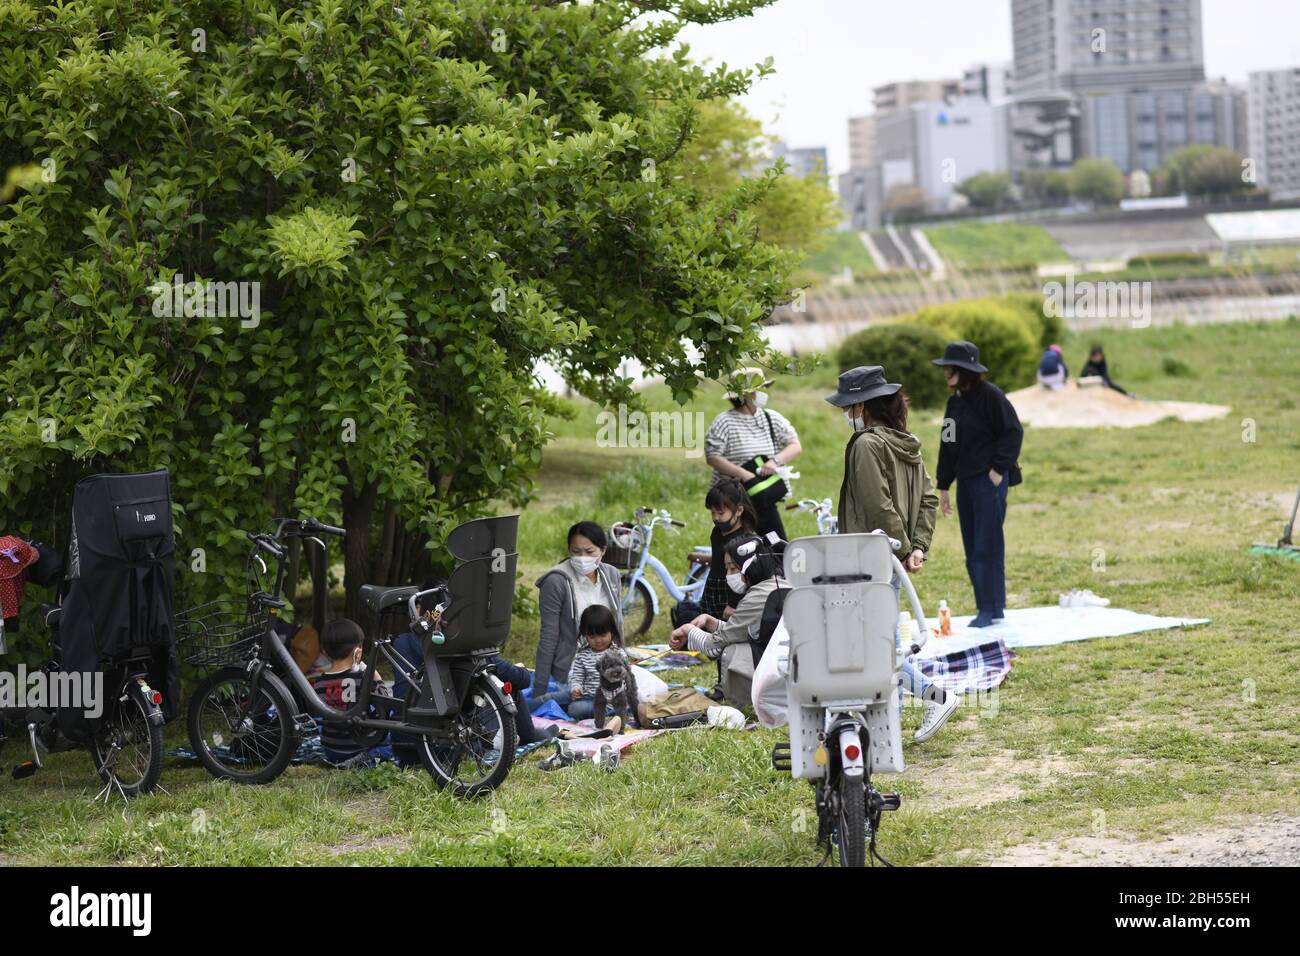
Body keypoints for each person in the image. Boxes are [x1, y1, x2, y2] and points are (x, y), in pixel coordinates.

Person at [824, 365, 957, 742]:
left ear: (864, 405)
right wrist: (917, 547)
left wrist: (899, 550)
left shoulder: (867, 444)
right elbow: (928, 499)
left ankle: (936, 696)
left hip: (870, 556)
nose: (847, 413)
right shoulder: (907, 441)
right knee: (883, 645)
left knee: (876, 650)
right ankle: (887, 731)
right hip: (891, 557)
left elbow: (878, 504)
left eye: (849, 406)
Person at [389, 584, 559, 760]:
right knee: (506, 683)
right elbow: (522, 679)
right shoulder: (460, 645)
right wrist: (520, 669)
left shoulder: (401, 642)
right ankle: (529, 736)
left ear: (420, 610)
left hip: (405, 744)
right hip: (450, 747)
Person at [933, 341, 1024, 629]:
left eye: (951, 368)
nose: (946, 372)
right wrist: (944, 484)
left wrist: (998, 470)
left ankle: (989, 608)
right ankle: (990, 607)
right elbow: (948, 443)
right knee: (972, 547)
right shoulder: (954, 402)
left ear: (965, 370)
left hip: (989, 482)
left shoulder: (992, 397)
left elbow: (1013, 432)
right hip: (966, 484)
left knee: (987, 544)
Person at [668, 535, 787, 699]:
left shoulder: (756, 598)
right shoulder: (777, 585)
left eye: (733, 568)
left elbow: (714, 646)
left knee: (732, 651)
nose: (728, 575)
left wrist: (688, 630)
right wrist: (712, 623)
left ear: (751, 566)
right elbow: (744, 632)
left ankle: (746, 702)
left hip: (779, 675)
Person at [531, 521, 624, 710]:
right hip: (574, 669)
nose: (582, 558)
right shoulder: (555, 582)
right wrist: (539, 689)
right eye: (576, 551)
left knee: (647, 690)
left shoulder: (611, 575)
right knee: (576, 707)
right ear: (568, 549)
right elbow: (548, 636)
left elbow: (617, 625)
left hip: (609, 667)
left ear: (603, 551)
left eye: (589, 552)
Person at [704, 367, 802, 541]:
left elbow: (795, 445)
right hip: (734, 500)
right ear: (747, 394)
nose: (763, 393)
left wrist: (774, 462)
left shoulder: (771, 417)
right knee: (734, 547)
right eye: (759, 389)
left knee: (776, 546)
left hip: (763, 496)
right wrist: (744, 474)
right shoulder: (724, 421)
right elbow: (713, 457)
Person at [311, 618, 393, 765]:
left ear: (326, 652)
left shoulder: (318, 684)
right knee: (391, 744)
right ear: (358, 651)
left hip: (332, 750)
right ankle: (363, 759)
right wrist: (377, 679)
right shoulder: (363, 679)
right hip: (360, 747)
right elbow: (385, 704)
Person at [698, 479, 759, 619]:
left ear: (738, 511)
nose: (715, 518)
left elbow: (747, 577)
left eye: (720, 513)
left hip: (731, 594)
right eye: (712, 513)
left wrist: (733, 603)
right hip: (713, 587)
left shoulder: (745, 541)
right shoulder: (717, 532)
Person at [566, 605, 626, 723]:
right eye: (592, 636)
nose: (598, 640)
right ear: (585, 634)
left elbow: (624, 678)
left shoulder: (618, 653)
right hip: (590, 699)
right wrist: (576, 688)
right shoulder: (582, 656)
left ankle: (612, 711)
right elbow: (577, 676)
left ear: (612, 632)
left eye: (603, 635)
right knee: (574, 708)